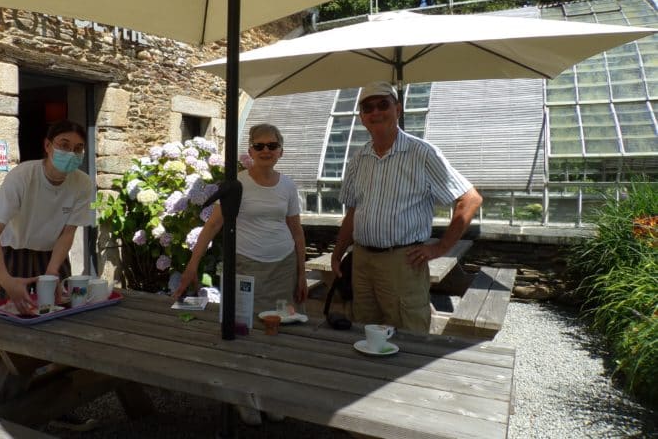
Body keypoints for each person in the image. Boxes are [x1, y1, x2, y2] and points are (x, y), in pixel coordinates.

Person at [172, 123, 306, 426]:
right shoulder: (238, 185)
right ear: (250, 150)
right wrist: (191, 266)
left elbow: (296, 231)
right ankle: (245, 394)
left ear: (280, 151)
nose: (266, 151)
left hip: (283, 266)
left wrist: (301, 273)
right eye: (259, 146)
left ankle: (269, 394)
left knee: (276, 331)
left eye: (272, 145)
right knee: (245, 331)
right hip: (247, 266)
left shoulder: (288, 186)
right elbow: (212, 226)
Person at [331, 81, 482, 334]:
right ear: (362, 117)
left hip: (402, 262)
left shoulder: (421, 153)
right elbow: (353, 212)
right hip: (362, 260)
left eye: (383, 105)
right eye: (368, 108)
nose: (376, 112)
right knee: (363, 327)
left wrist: (441, 248)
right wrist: (337, 253)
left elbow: (470, 199)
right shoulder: (359, 159)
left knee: (408, 332)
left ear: (397, 109)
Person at [0, 120, 94, 315]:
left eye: (78, 148)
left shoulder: (83, 183)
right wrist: (5, 279)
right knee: (7, 315)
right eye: (64, 145)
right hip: (12, 255)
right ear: (48, 145)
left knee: (62, 313)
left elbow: (68, 233)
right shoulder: (23, 176)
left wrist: (52, 271)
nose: (70, 153)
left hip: (52, 256)